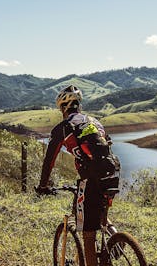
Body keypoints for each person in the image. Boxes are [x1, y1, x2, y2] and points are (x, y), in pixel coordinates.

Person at [36, 85, 121, 266]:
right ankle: (116, 237)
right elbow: (108, 144)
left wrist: (43, 186)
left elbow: (49, 160)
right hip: (112, 172)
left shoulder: (64, 127)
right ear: (78, 105)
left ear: (63, 108)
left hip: (90, 178)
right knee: (100, 214)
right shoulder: (95, 122)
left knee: (88, 233)